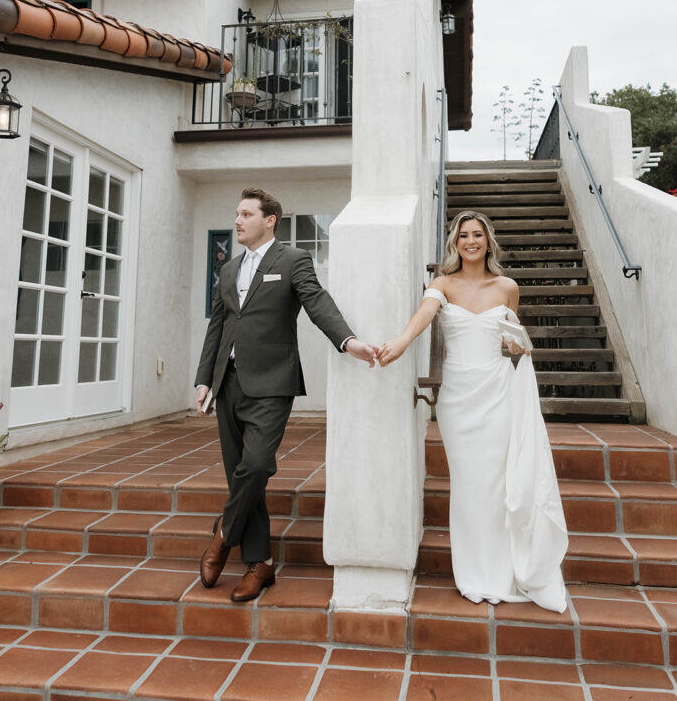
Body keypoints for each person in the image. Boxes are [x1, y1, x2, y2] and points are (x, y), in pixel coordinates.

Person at [378, 210, 568, 612]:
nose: (470, 241)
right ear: (455, 243)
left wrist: (519, 347)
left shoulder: (508, 287)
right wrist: (400, 342)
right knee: (468, 486)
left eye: (477, 234)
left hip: (499, 391)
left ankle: (503, 570)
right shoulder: (442, 283)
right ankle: (473, 573)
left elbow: (512, 342)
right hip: (459, 399)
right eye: (463, 235)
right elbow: (424, 315)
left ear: (487, 241)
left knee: (497, 485)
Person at [194, 187, 376, 602]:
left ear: (269, 219)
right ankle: (261, 564)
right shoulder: (229, 269)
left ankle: (224, 535)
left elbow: (317, 302)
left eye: (245, 214)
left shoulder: (292, 260)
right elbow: (218, 326)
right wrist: (204, 379)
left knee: (255, 466)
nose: (237, 220)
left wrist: (348, 341)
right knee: (239, 471)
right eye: (236, 213)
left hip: (273, 381)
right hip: (228, 382)